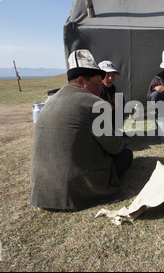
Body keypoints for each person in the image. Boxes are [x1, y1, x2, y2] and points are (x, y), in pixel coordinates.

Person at [30, 49, 133, 211]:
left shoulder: (51, 99)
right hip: (73, 190)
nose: (100, 90)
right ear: (81, 81)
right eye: (98, 84)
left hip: (42, 190)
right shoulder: (94, 103)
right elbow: (114, 147)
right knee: (126, 155)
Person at [98, 60, 125, 131]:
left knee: (120, 98)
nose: (110, 78)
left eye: (113, 75)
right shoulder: (97, 89)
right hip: (98, 122)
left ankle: (116, 129)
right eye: (107, 75)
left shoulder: (112, 87)